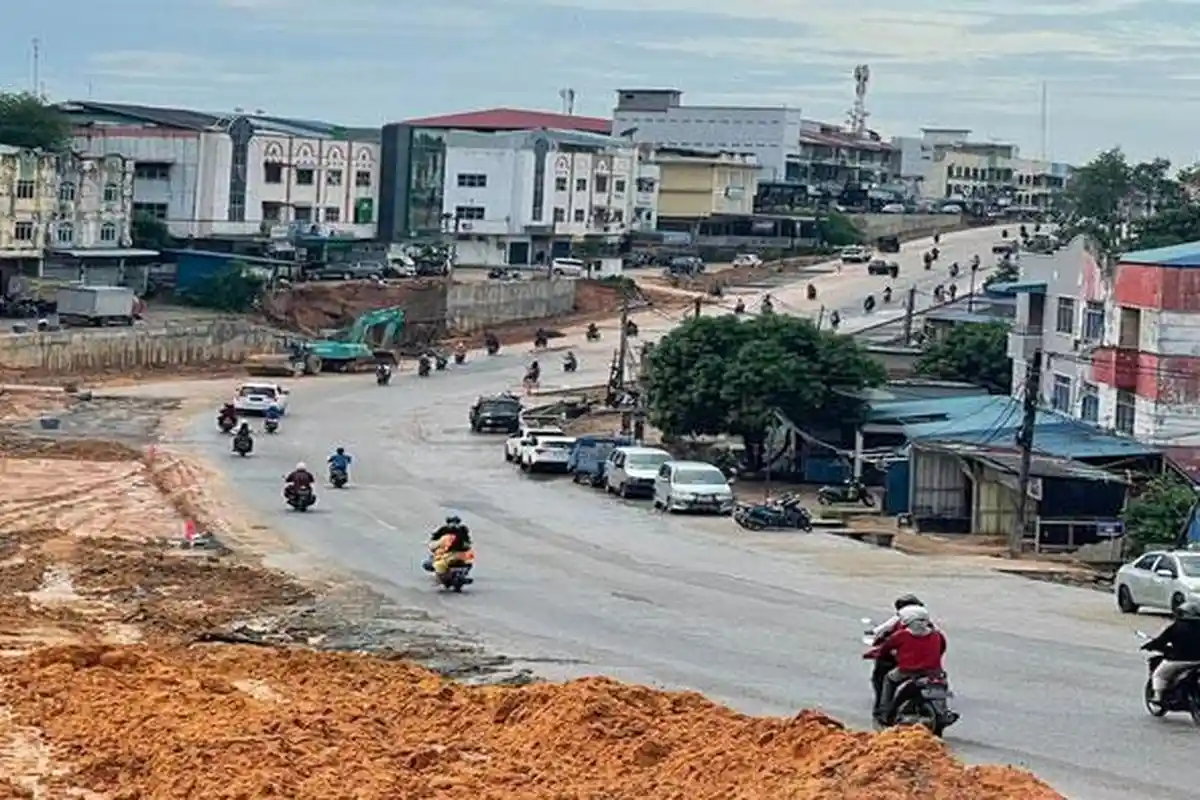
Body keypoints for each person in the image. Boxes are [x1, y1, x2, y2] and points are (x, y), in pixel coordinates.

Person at [875, 605, 947, 725]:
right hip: (934, 672)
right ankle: (944, 712)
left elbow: (885, 649)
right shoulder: (937, 635)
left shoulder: (901, 635)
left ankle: (884, 711)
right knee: (942, 684)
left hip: (908, 671)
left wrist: (883, 655)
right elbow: (942, 649)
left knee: (889, 679)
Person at [1142, 599, 1200, 703]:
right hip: (1197, 661)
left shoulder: (1176, 627)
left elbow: (1161, 641)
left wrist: (1150, 646)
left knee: (1159, 674)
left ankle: (1158, 697)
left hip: (1178, 661)